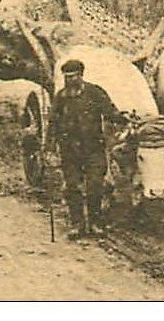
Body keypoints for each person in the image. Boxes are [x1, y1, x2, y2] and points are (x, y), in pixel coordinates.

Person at [51, 58, 120, 240]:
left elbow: (111, 112)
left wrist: (125, 119)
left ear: (81, 76)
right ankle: (77, 224)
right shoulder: (61, 97)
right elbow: (53, 122)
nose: (69, 81)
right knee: (73, 187)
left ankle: (95, 223)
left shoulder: (95, 93)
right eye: (66, 77)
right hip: (69, 150)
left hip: (93, 148)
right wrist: (50, 147)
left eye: (73, 77)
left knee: (95, 186)